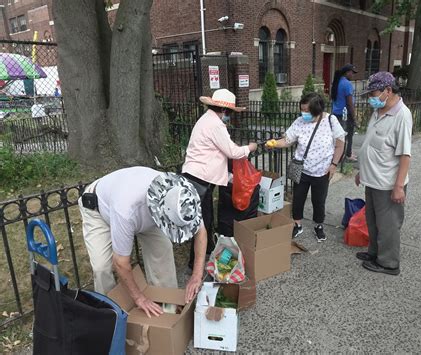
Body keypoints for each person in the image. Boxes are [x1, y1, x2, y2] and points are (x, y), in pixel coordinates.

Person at [79, 167, 206, 317]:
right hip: (98, 209)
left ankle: (169, 310)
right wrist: (140, 298)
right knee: (102, 268)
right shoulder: (126, 210)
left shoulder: (182, 197)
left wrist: (197, 276)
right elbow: (120, 262)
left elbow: (201, 233)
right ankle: (111, 315)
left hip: (140, 208)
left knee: (163, 251)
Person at [182, 89, 258, 268]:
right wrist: (250, 147)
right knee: (201, 222)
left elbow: (221, 147)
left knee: (205, 219)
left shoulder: (207, 119)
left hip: (198, 177)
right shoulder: (215, 124)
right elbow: (233, 152)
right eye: (229, 113)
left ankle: (207, 252)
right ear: (224, 111)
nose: (229, 117)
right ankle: (195, 264)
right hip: (199, 178)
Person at [266, 93, 345, 241]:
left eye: (307, 111)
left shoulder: (330, 121)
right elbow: (288, 140)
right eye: (302, 110)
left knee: (319, 200)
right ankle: (297, 224)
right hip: (301, 170)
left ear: (317, 110)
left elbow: (340, 144)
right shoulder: (299, 121)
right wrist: (275, 143)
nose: (304, 114)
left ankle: (318, 225)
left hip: (322, 170)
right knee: (298, 198)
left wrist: (333, 165)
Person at [355, 71, 412, 276]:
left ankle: (389, 263)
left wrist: (398, 187)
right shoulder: (379, 111)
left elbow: (405, 155)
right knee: (372, 220)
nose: (371, 98)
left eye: (374, 93)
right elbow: (371, 144)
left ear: (388, 91)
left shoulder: (402, 116)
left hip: (388, 183)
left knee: (388, 225)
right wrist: (362, 171)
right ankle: (375, 252)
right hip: (373, 179)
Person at [331, 64, 358, 162]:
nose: (353, 75)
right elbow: (349, 103)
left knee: (338, 135)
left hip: (336, 113)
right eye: (352, 73)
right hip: (345, 114)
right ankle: (348, 154)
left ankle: (338, 155)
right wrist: (354, 118)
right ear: (347, 72)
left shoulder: (337, 82)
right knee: (348, 134)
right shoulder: (347, 84)